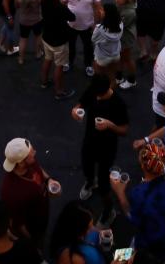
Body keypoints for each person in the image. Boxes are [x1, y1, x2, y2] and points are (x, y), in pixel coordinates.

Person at [109, 141, 165, 262]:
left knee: (120, 259)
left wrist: (120, 193)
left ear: (142, 166)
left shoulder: (140, 194)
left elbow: (132, 217)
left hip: (149, 248)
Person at [71, 73, 128, 225]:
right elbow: (80, 104)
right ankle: (90, 182)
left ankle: (109, 212)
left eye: (100, 96)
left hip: (107, 147)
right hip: (90, 140)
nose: (96, 98)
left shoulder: (118, 103)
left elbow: (124, 130)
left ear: (107, 88)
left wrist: (110, 125)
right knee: (87, 167)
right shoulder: (93, 90)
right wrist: (75, 111)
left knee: (104, 186)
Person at [0, 138, 59, 253]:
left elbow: (39, 169)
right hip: (32, 230)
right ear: (21, 163)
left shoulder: (29, 163)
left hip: (42, 217)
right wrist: (31, 242)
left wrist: (49, 181)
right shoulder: (10, 192)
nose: (35, 152)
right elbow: (18, 225)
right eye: (31, 153)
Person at [61, 0, 103, 76]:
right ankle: (69, 62)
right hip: (71, 25)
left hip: (87, 25)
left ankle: (88, 65)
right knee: (70, 45)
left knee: (88, 46)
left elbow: (99, 8)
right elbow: (62, 3)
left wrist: (96, 24)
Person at [40, 0, 76, 99]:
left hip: (47, 37)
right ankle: (59, 91)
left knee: (47, 59)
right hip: (59, 41)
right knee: (59, 66)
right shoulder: (59, 6)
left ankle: (44, 82)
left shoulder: (43, 0)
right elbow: (72, 17)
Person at [14, 0, 43, 66]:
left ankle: (21, 59)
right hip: (37, 19)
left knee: (23, 39)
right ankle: (38, 53)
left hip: (24, 21)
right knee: (38, 36)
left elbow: (16, 6)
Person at [90, 4, 122, 79]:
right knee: (112, 76)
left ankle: (102, 89)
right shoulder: (120, 24)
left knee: (99, 77)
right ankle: (110, 90)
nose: (101, 12)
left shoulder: (100, 29)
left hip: (102, 57)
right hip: (115, 54)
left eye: (102, 10)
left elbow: (93, 39)